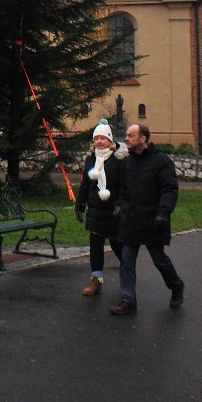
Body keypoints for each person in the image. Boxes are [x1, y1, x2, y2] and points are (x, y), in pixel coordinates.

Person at [109, 123, 184, 316]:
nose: (126, 139)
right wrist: (119, 204)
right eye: (126, 135)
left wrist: (163, 212)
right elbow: (123, 190)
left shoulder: (161, 161)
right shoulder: (126, 162)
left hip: (152, 220)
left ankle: (176, 286)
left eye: (131, 135)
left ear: (143, 139)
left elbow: (169, 189)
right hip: (131, 220)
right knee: (126, 261)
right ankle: (128, 301)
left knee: (160, 260)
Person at [74, 119, 124, 296]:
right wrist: (80, 204)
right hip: (95, 211)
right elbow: (86, 184)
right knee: (95, 248)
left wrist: (120, 204)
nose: (99, 142)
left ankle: (128, 277)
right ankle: (96, 281)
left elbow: (125, 186)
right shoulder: (91, 159)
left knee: (119, 246)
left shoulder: (118, 159)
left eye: (103, 138)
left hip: (113, 212)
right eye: (96, 139)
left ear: (110, 140)